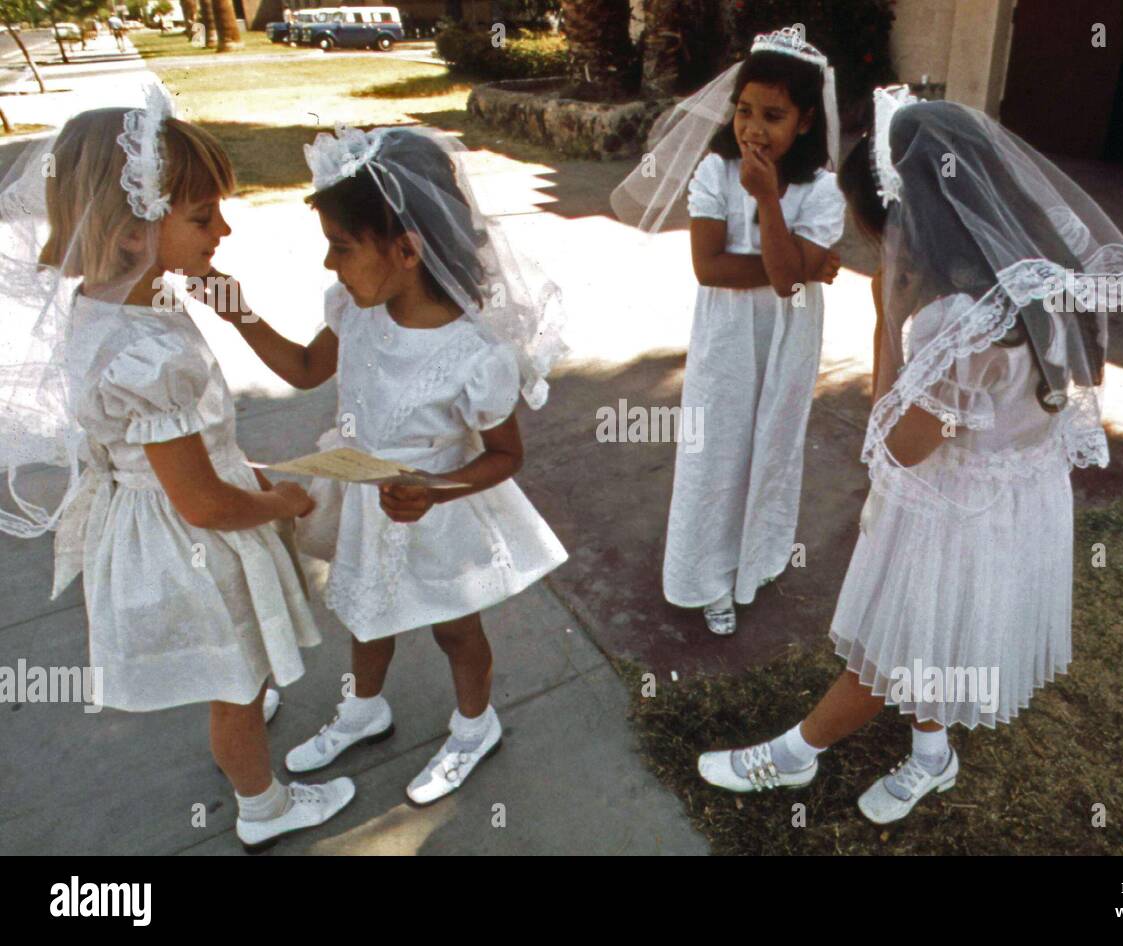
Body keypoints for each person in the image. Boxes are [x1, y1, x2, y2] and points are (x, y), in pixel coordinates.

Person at [696, 86, 1123, 823]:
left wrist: (883, 322)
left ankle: (795, 754)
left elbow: (897, 444)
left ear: (907, 217)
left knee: (896, 646)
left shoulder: (945, 320)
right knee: (939, 626)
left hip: (954, 508)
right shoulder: (1047, 275)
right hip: (1023, 496)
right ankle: (932, 754)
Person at [0, 88, 356, 852]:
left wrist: (234, 312)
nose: (223, 230)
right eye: (202, 218)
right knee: (234, 680)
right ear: (132, 232)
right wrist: (285, 500)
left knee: (237, 670)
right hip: (192, 539)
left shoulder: (114, 304)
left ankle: (241, 706)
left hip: (158, 515)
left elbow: (169, 452)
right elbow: (202, 503)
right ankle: (263, 805)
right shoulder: (146, 355)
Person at [215, 124, 569, 806]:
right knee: (364, 609)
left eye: (342, 248)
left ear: (407, 249)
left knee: (454, 626)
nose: (329, 265)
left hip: (435, 510)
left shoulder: (476, 352)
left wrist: (436, 489)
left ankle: (474, 725)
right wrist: (236, 312)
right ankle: (364, 707)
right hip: (362, 496)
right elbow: (304, 366)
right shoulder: (356, 308)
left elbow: (505, 455)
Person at [611, 26, 846, 636]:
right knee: (715, 447)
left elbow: (789, 285)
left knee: (772, 440)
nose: (753, 128)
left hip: (788, 336)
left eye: (773, 115)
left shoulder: (821, 189)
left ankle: (753, 561)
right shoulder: (715, 172)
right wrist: (800, 262)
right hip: (725, 336)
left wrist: (770, 204)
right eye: (744, 110)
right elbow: (710, 266)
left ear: (804, 123)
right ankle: (705, 577)